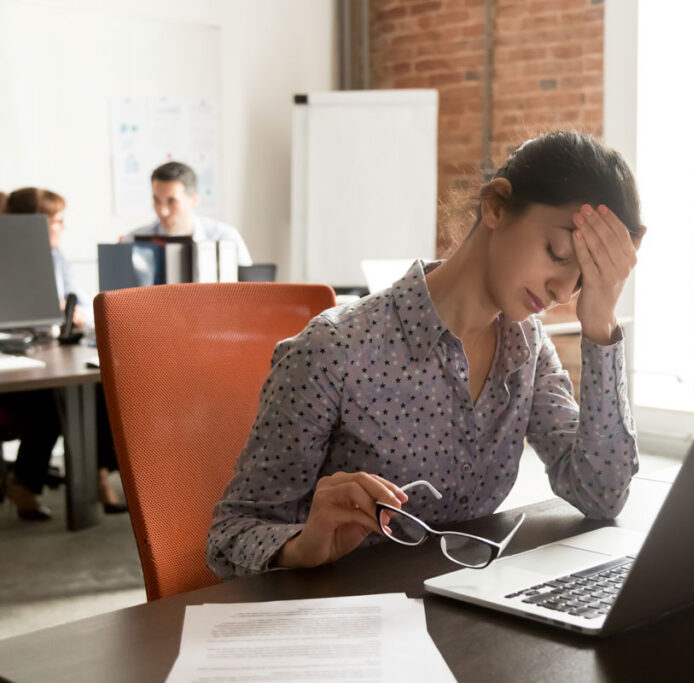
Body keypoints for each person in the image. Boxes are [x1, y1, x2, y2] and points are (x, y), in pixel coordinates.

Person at [207, 132, 646, 578]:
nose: (560, 292)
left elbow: (601, 495)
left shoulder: (526, 347)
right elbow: (231, 536)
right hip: (344, 621)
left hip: (462, 615)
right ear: (496, 206)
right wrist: (302, 547)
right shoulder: (333, 351)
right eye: (557, 254)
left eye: (580, 282)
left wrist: (601, 325)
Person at [3, 187, 127, 516]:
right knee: (49, 400)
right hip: (14, 362)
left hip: (48, 352)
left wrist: (67, 310)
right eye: (56, 221)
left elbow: (82, 302)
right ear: (34, 224)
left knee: (99, 387)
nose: (62, 227)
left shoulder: (56, 256)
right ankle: (24, 484)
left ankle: (98, 475)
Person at [125, 161, 253, 267]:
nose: (163, 211)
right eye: (157, 200)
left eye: (172, 201)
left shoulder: (224, 237)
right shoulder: (132, 241)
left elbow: (250, 292)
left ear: (193, 200)